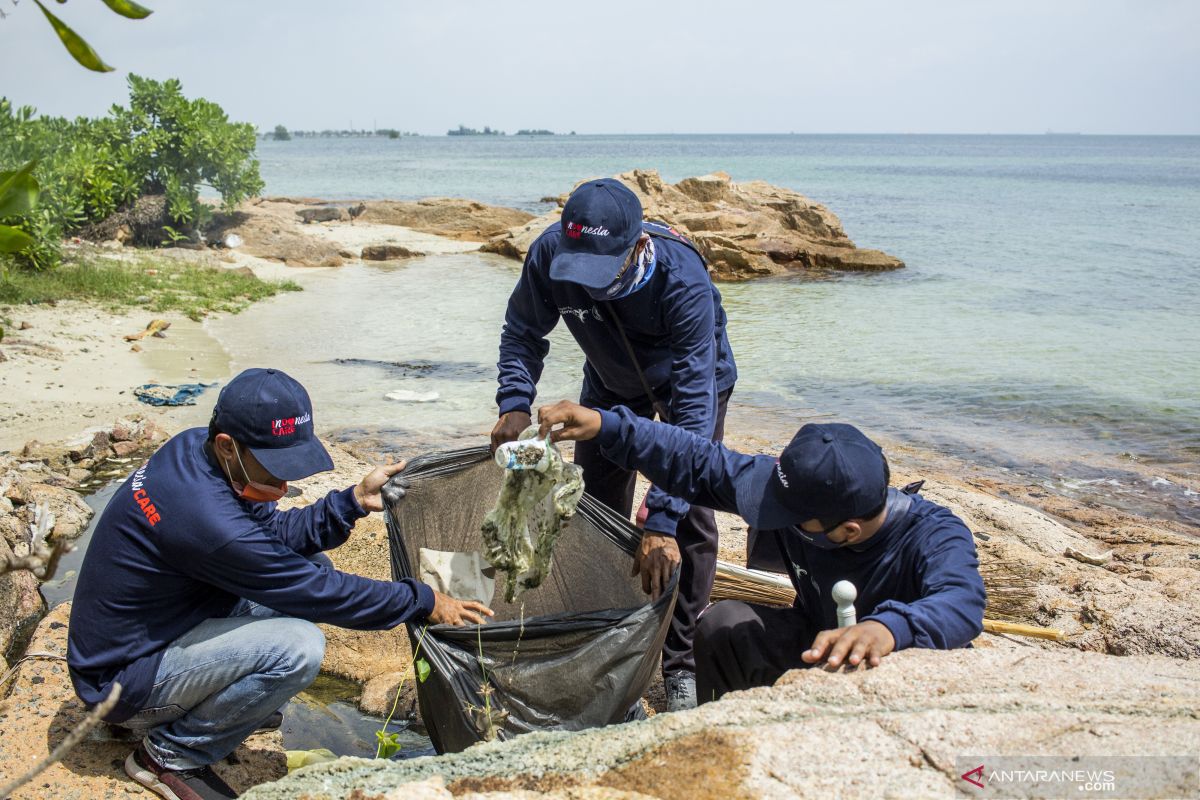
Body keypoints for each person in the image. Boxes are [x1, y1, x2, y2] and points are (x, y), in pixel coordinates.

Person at [67, 368, 493, 800]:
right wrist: (421, 599)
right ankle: (169, 754)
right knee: (297, 648)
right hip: (123, 681)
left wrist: (350, 503)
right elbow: (317, 594)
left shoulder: (195, 451)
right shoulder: (207, 521)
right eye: (273, 472)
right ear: (227, 446)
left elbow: (275, 539)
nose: (284, 485)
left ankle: (224, 705)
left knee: (315, 562)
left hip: (167, 623)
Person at [535, 400, 986, 703]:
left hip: (898, 667)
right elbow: (696, 461)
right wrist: (607, 425)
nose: (773, 515)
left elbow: (961, 603)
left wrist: (888, 629)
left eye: (791, 516)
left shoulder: (935, 533)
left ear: (848, 530)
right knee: (722, 625)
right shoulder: (792, 489)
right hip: (814, 640)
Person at [492, 178, 738, 711]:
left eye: (604, 273)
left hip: (688, 387)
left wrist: (664, 516)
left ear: (637, 247)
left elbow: (694, 419)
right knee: (596, 508)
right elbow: (522, 331)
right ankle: (605, 642)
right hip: (608, 381)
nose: (593, 287)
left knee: (688, 522)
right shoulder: (550, 253)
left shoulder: (682, 278)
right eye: (582, 273)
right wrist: (514, 401)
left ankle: (680, 666)